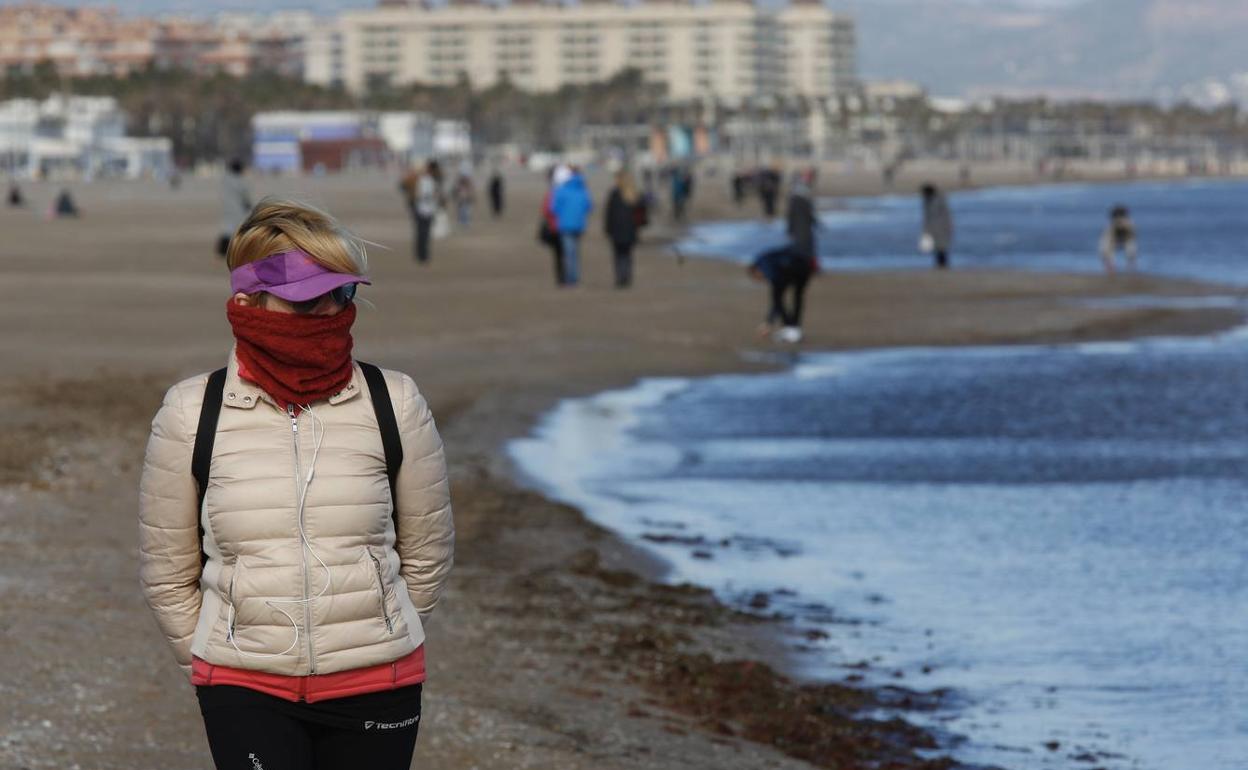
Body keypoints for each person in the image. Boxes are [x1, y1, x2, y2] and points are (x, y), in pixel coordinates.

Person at [139, 199, 454, 770]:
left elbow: (428, 555)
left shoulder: (396, 401)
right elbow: (167, 570)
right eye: (307, 296)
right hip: (244, 690)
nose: (328, 309)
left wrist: (377, 637)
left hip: (378, 684)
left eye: (342, 292)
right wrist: (214, 661)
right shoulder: (192, 412)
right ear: (246, 299)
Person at [749, 244, 814, 344]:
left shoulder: (764, 264)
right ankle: (793, 328)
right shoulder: (763, 259)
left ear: (756, 271)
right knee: (797, 297)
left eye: (758, 278)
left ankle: (791, 328)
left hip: (795, 268)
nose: (762, 280)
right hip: (804, 265)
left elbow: (776, 297)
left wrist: (768, 322)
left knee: (779, 298)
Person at [604, 169, 646, 288]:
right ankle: (625, 277)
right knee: (626, 255)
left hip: (618, 230)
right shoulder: (634, 195)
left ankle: (621, 277)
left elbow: (609, 214)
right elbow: (642, 214)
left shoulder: (615, 194)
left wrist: (608, 229)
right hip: (629, 230)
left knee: (619, 255)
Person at [551, 165, 593, 286]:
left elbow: (554, 208)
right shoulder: (582, 189)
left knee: (569, 252)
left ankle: (571, 278)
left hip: (565, 225)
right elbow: (589, 206)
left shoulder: (561, 190)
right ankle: (575, 276)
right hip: (579, 224)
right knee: (575, 252)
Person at [401, 160, 442, 264]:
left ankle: (422, 255)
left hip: (424, 209)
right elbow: (419, 194)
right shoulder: (422, 179)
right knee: (423, 232)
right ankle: (422, 255)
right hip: (421, 208)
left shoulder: (426, 179)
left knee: (423, 233)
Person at [539, 165, 569, 285]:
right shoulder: (574, 189)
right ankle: (568, 276)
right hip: (565, 226)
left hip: (556, 227)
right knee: (568, 253)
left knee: (559, 255)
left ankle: (562, 277)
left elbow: (546, 210)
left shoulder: (553, 192)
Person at [218, 159, 252, 257]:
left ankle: (223, 250)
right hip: (238, 208)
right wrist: (248, 205)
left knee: (226, 228)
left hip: (227, 207)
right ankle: (237, 249)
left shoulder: (226, 180)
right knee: (238, 228)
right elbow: (245, 196)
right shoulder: (241, 181)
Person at [920, 183, 953, 269]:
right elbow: (927, 217)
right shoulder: (928, 201)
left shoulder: (938, 200)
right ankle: (940, 264)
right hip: (935, 228)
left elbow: (945, 215)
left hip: (941, 228)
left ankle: (942, 265)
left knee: (941, 247)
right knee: (938, 247)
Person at [1099, 204, 1137, 274]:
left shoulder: (1129, 224)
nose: (1119, 220)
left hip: (1126, 238)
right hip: (1113, 239)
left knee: (1131, 247)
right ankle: (1110, 266)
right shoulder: (1110, 226)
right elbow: (1107, 241)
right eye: (1117, 217)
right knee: (1106, 246)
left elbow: (1132, 236)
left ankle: (1131, 266)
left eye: (1121, 217)